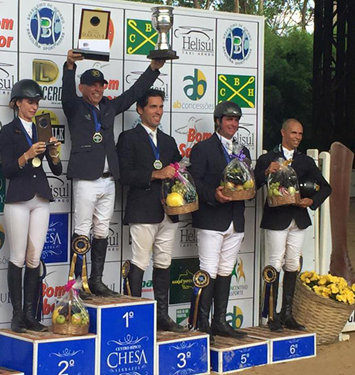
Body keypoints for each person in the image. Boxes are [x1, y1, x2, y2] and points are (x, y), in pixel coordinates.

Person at [62, 50, 165, 297]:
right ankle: (78, 284)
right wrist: (69, 66)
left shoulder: (109, 106)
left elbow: (133, 94)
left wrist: (153, 69)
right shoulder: (74, 106)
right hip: (86, 178)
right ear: (82, 87)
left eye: (101, 85)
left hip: (109, 180)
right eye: (92, 86)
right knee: (82, 229)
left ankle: (95, 281)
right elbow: (67, 93)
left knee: (101, 230)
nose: (97, 89)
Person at [0, 79, 62, 333]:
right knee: (17, 257)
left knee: (34, 258)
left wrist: (54, 152)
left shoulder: (41, 129)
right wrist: (27, 154)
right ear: (17, 103)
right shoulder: (7, 131)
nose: (34, 107)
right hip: (18, 198)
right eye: (29, 102)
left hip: (41, 197)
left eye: (37, 102)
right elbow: (8, 170)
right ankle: (16, 316)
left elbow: (56, 168)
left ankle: (30, 314)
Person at [117, 89, 184, 332]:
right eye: (153, 107)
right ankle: (135, 316)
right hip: (143, 209)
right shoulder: (128, 138)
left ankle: (162, 316)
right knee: (140, 261)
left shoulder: (168, 141)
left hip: (169, 210)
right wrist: (156, 174)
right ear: (140, 109)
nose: (158, 111)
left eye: (160, 107)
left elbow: (180, 172)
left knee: (164, 262)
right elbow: (123, 175)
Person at [254, 118, 331, 331]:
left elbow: (325, 187)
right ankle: (270, 315)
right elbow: (253, 183)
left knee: (292, 264)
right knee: (274, 263)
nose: (297, 137)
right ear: (283, 133)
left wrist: (311, 201)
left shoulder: (305, 162)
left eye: (300, 134)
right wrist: (266, 171)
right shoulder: (268, 158)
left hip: (298, 218)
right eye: (293, 133)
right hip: (276, 218)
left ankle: (286, 313)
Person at [188, 101, 249, 342]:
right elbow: (195, 182)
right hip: (211, 218)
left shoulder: (243, 151)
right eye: (228, 119)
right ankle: (202, 324)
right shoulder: (202, 148)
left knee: (225, 271)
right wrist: (213, 194)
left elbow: (247, 181)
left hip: (235, 218)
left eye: (236, 120)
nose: (233, 124)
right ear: (218, 121)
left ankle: (220, 321)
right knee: (209, 271)